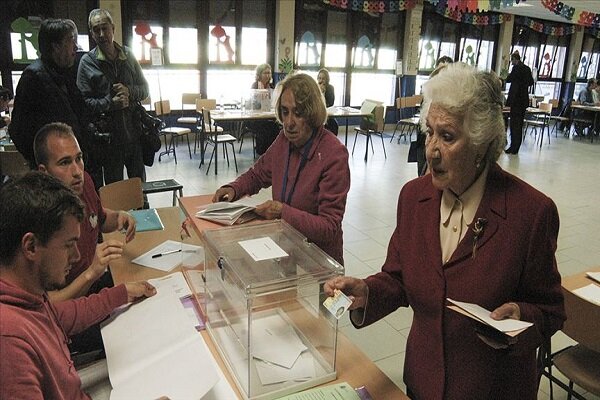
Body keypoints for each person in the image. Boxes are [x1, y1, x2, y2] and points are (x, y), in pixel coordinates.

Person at [325, 63, 565, 399]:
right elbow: (398, 277)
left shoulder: (530, 212)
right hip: (423, 382)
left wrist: (521, 317)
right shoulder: (414, 198)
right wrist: (367, 291)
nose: (432, 149)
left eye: (448, 136)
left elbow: (551, 311)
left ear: (481, 143)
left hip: (491, 390)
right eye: (430, 132)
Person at [0, 171, 156, 399]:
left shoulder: (28, 294)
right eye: (69, 245)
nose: (76, 256)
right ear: (31, 247)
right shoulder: (10, 341)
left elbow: (65, 314)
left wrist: (122, 293)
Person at [213, 73, 350, 265]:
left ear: (312, 113)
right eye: (285, 112)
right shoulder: (283, 141)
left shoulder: (334, 154)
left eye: (298, 113)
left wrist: (282, 212)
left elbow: (329, 227)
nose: (289, 123)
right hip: (286, 245)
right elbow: (258, 174)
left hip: (321, 259)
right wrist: (234, 188)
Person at [34, 122, 136, 354]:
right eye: (64, 162)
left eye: (79, 158)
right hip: (69, 316)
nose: (77, 170)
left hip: (96, 285)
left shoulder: (84, 183)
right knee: (133, 334)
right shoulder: (39, 222)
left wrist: (119, 217)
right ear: (44, 172)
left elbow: (99, 218)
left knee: (147, 300)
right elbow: (48, 308)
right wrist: (92, 271)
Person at [77, 8, 149, 189]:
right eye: (96, 29)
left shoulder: (128, 55)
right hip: (108, 142)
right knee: (114, 193)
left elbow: (145, 89)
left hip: (134, 135)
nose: (102, 34)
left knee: (139, 189)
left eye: (105, 28)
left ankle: (143, 215)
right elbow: (82, 104)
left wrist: (129, 91)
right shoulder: (87, 62)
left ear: (113, 28)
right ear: (92, 33)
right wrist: (110, 104)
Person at [9, 18, 86, 167]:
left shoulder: (66, 72)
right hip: (52, 170)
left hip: (71, 161)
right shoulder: (33, 77)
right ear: (56, 46)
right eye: (71, 41)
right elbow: (19, 130)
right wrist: (42, 162)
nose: (75, 47)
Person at [504, 51, 534, 154]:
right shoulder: (527, 69)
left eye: (511, 60)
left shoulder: (516, 68)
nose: (511, 62)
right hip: (523, 101)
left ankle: (513, 146)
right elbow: (531, 82)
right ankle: (516, 147)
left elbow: (508, 79)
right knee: (519, 124)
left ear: (514, 59)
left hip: (515, 100)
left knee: (513, 124)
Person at [249, 63, 280, 155]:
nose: (268, 75)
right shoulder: (255, 86)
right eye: (265, 73)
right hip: (256, 117)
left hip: (269, 115)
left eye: (269, 73)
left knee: (275, 127)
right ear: (259, 74)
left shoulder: (272, 87)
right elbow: (252, 103)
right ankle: (263, 151)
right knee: (265, 128)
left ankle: (273, 151)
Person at [317, 68, 339, 136]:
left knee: (334, 125)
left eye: (323, 78)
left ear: (327, 79)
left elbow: (331, 102)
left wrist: (324, 93)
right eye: (319, 78)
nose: (321, 80)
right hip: (318, 114)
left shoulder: (330, 88)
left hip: (328, 114)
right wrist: (320, 92)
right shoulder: (315, 87)